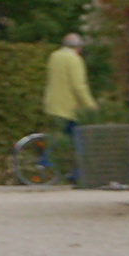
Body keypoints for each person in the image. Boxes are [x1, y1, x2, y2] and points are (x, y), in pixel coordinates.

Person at [44, 32, 98, 180]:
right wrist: (90, 104)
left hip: (53, 104)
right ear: (78, 47)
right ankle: (77, 174)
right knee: (77, 139)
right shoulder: (74, 59)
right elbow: (78, 85)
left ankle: (53, 163)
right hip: (69, 107)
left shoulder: (54, 56)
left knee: (62, 136)